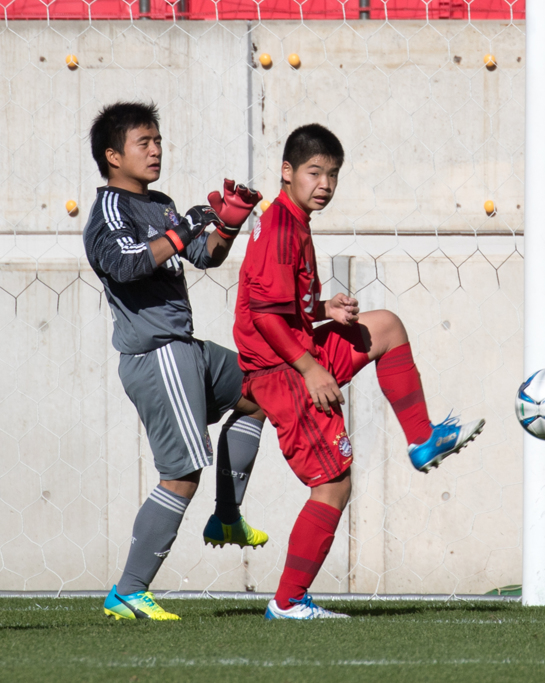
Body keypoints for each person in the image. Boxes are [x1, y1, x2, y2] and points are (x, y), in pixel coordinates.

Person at [233, 123, 485, 620]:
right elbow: (263, 316)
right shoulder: (282, 227)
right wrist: (311, 371)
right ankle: (288, 602)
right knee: (333, 485)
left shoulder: (291, 217)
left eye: (332, 174)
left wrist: (324, 307)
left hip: (300, 350)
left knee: (385, 327)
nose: (324, 184)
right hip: (285, 371)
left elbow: (282, 304)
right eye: (314, 172)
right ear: (287, 173)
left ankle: (422, 440)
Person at [84, 101, 269, 621]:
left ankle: (227, 516)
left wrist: (227, 224)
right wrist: (182, 229)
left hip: (186, 347)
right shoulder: (108, 214)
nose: (155, 150)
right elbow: (125, 265)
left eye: (158, 140)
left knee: (259, 393)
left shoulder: (160, 202)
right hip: (156, 353)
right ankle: (128, 591)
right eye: (143, 142)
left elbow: (203, 255)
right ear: (113, 155)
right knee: (182, 474)